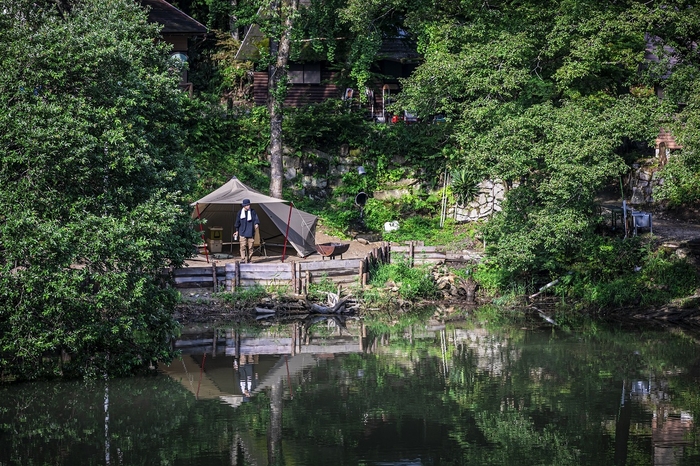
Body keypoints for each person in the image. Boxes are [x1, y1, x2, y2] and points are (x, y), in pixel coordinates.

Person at [233, 198, 259, 263]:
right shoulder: (240, 213)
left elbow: (256, 219)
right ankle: (242, 259)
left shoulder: (253, 211)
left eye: (249, 205)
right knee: (242, 247)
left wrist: (256, 224)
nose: (248, 206)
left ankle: (249, 259)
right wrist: (236, 231)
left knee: (251, 247)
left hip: (250, 232)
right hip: (242, 232)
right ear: (244, 206)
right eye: (247, 205)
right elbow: (237, 222)